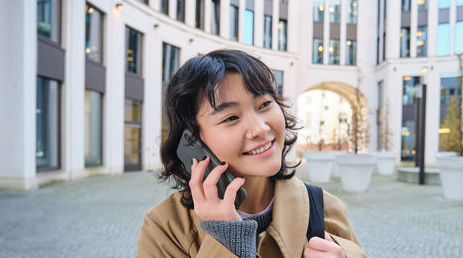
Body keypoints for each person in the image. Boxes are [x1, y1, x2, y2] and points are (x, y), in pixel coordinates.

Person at [136, 50, 367, 257]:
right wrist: (227, 240)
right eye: (231, 118)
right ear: (191, 141)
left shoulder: (325, 210)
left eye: (264, 105)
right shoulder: (165, 228)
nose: (260, 128)